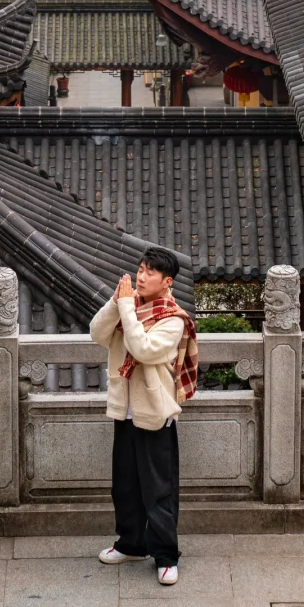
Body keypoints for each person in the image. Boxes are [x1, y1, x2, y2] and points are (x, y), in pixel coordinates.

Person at [89, 246, 197, 586]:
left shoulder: (173, 319)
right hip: (126, 412)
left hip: (155, 414)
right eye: (140, 269)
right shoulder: (129, 308)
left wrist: (126, 307)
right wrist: (116, 302)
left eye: (150, 272)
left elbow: (143, 349)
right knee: (125, 485)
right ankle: (131, 543)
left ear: (167, 282)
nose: (142, 275)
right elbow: (97, 333)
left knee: (158, 490)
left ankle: (166, 555)